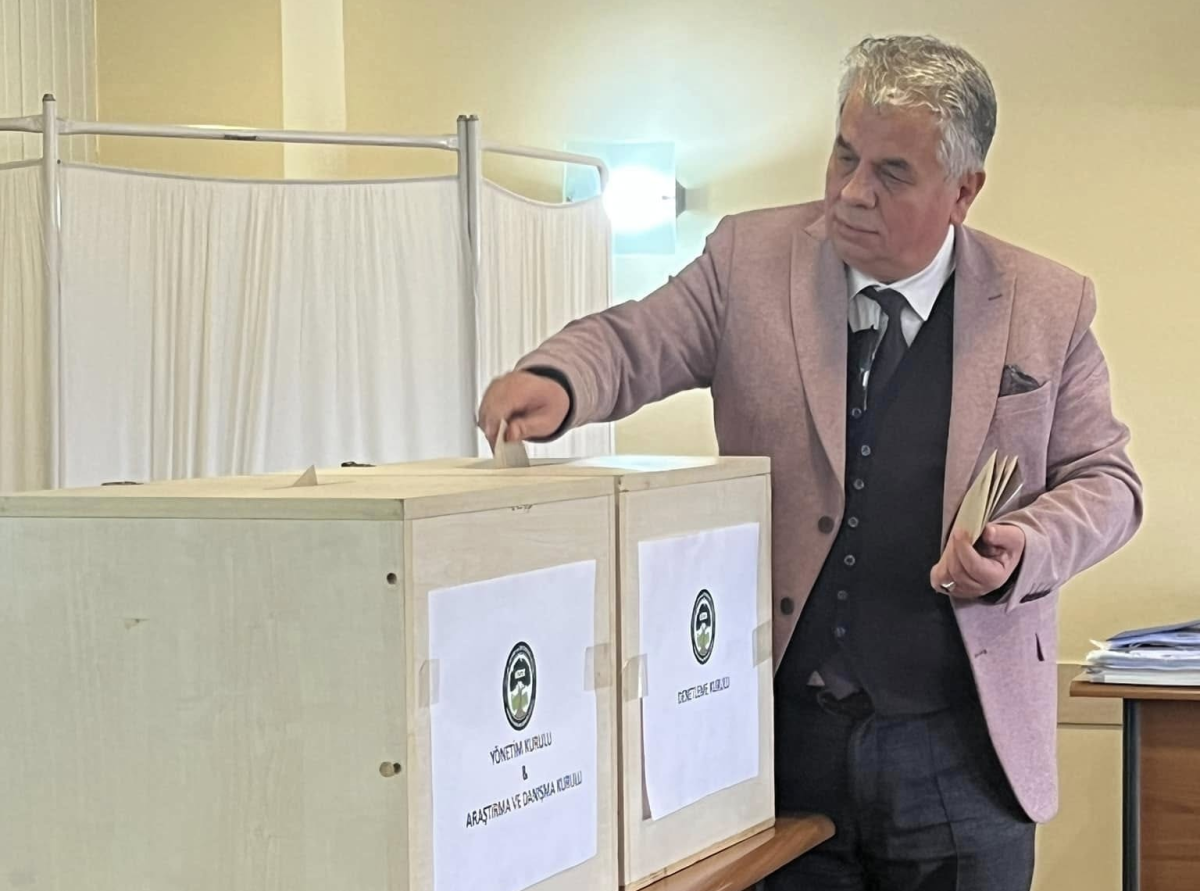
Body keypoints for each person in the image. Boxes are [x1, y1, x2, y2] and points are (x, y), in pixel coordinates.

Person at [477, 35, 1143, 891]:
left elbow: (1108, 484)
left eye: (892, 173)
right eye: (844, 154)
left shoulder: (1047, 303)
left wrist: (1026, 547)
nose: (853, 192)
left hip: (964, 751)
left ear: (963, 191)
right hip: (777, 743)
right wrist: (560, 379)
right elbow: (635, 339)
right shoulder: (748, 261)